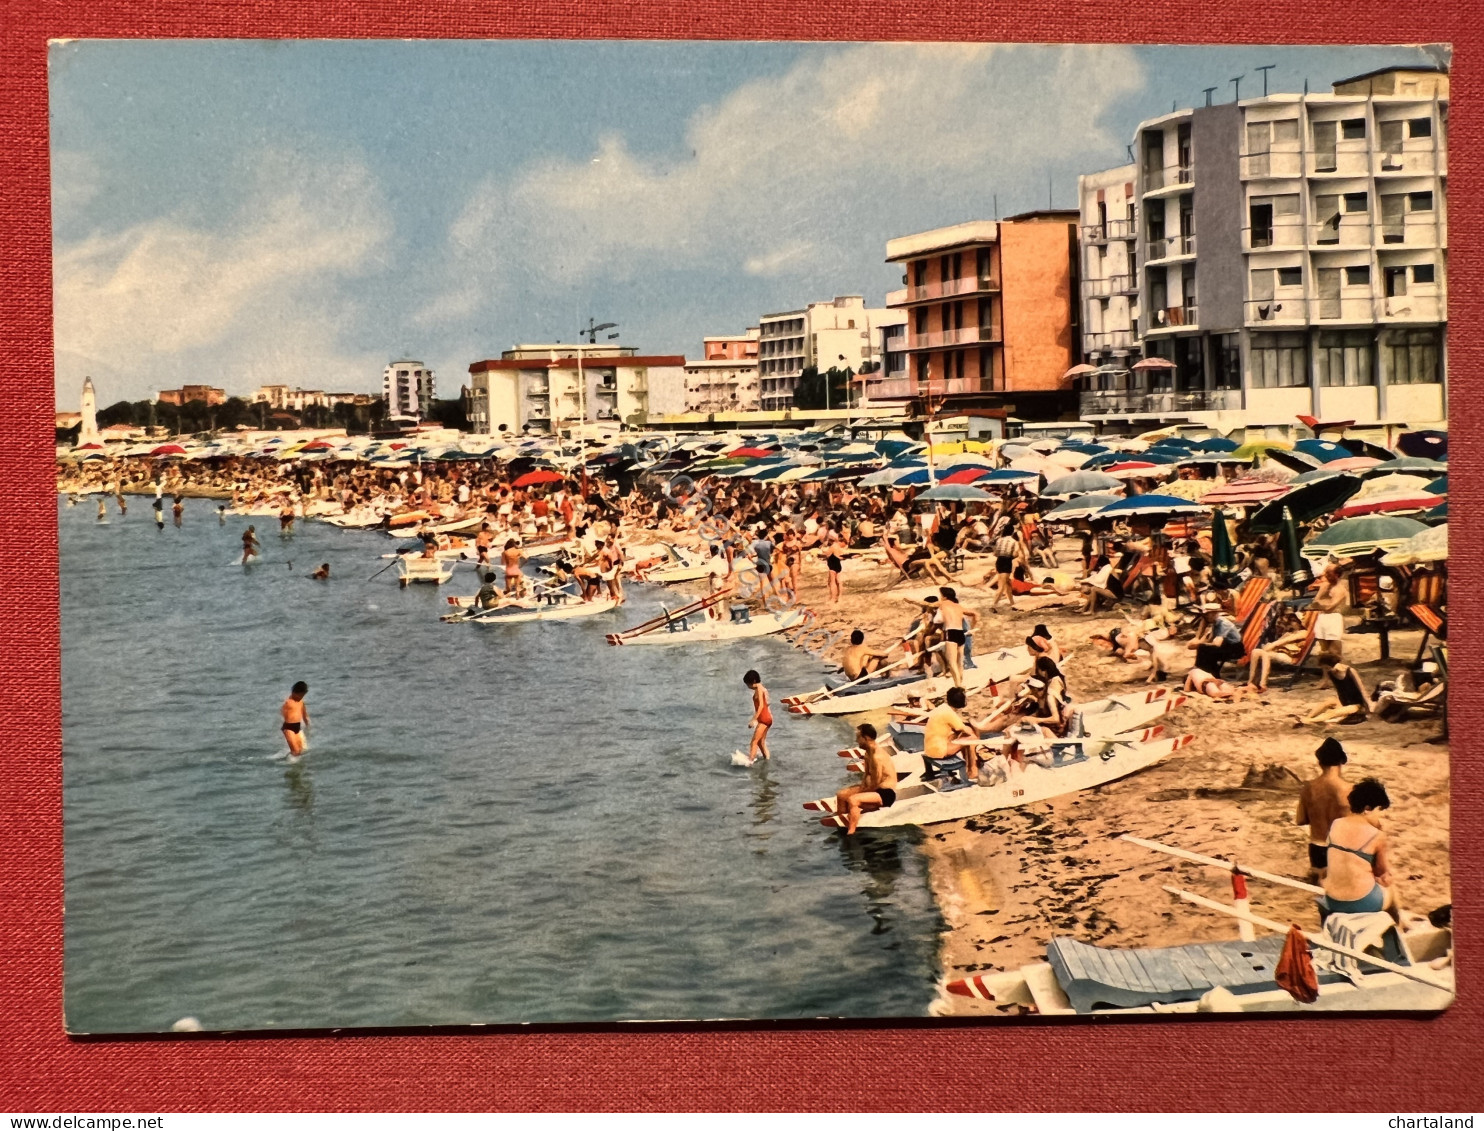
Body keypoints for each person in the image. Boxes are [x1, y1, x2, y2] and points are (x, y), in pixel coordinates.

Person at [1323, 778, 1397, 920]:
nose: (1382, 816)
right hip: (1361, 902)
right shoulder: (1377, 835)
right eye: (1380, 810)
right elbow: (1382, 873)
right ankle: (1400, 928)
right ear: (1368, 809)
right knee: (1390, 886)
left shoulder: (1336, 824)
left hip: (1332, 900)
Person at [1296, 737, 1351, 880]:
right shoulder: (1348, 790)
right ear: (1341, 762)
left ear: (1320, 763)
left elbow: (1300, 820)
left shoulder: (1308, 788)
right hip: (1340, 848)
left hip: (1317, 848)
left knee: (1320, 892)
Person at [833, 722, 898, 835]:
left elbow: (876, 782)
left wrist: (860, 793)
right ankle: (842, 823)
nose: (856, 740)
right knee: (841, 795)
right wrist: (862, 788)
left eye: (858, 737)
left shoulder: (877, 756)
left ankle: (851, 832)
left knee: (853, 800)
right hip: (873, 789)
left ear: (866, 738)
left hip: (885, 793)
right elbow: (866, 774)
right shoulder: (868, 753)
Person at [1295, 662, 1376, 726]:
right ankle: (1307, 717)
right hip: (1344, 702)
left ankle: (1309, 720)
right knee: (1329, 701)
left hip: (1357, 705)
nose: (1326, 670)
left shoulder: (1349, 671)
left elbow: (1362, 690)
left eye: (1327, 668)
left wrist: (1369, 706)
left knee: (1334, 712)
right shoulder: (1331, 673)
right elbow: (1329, 684)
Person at [925, 685, 980, 778]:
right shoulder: (948, 713)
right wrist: (976, 737)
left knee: (963, 737)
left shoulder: (942, 708)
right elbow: (964, 729)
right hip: (938, 751)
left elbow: (959, 729)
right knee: (971, 740)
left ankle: (968, 767)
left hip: (930, 749)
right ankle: (973, 771)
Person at [935, 586, 977, 689]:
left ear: (944, 596)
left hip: (951, 632)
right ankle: (960, 682)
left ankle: (958, 685)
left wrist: (912, 602)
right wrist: (972, 628)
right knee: (959, 662)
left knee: (952, 662)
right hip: (960, 633)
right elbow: (975, 614)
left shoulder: (943, 604)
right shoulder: (958, 606)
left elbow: (934, 614)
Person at [1311, 561, 1350, 666]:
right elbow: (1314, 602)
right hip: (1322, 617)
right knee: (1324, 652)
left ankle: (1340, 674)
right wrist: (1321, 603)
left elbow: (1329, 607)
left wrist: (1320, 603)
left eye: (1329, 573)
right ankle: (1326, 679)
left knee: (1334, 652)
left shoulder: (1340, 590)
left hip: (1333, 618)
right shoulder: (1324, 586)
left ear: (1336, 575)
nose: (1326, 575)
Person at [1190, 602, 1244, 676]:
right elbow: (1210, 638)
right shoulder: (1216, 622)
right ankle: (1203, 670)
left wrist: (1200, 644)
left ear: (1213, 614)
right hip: (1226, 645)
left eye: (1206, 615)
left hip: (1234, 649)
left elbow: (1217, 644)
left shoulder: (1223, 624)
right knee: (1204, 648)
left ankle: (1202, 671)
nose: (1205, 617)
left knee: (1204, 648)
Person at [987, 527, 1021, 611]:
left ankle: (1012, 603)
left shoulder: (999, 540)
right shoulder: (1014, 542)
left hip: (999, 561)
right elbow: (1015, 554)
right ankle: (993, 605)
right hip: (1007, 561)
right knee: (1001, 585)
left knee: (1007, 583)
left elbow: (995, 553)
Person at [743, 669, 772, 765]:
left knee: (754, 742)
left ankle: (750, 762)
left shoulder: (759, 688)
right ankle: (767, 760)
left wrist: (753, 720)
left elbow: (761, 706)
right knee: (761, 743)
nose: (748, 687)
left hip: (764, 719)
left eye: (748, 684)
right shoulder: (761, 689)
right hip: (766, 718)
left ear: (754, 681)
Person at [281, 681, 310, 759]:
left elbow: (304, 713)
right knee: (296, 751)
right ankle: (290, 762)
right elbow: (282, 712)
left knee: (301, 751)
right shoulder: (288, 702)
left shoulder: (301, 701)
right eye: (300, 695)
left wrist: (307, 723)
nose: (301, 697)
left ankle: (288, 757)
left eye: (302, 696)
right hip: (288, 727)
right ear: (294, 692)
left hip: (298, 726)